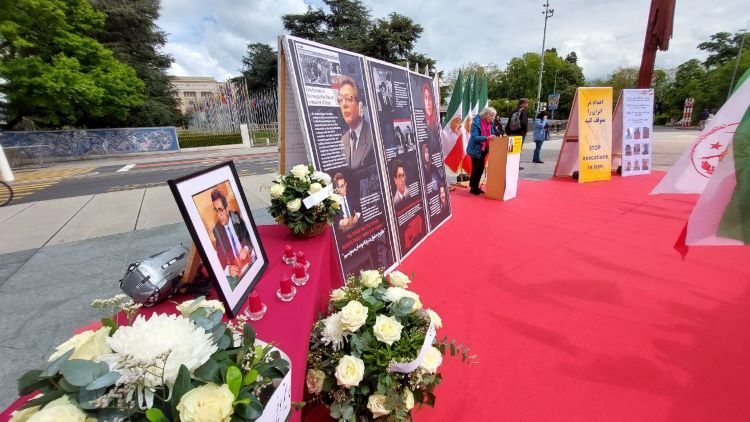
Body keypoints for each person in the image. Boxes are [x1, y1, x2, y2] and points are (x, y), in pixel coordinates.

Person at [211, 189, 253, 278]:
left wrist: (246, 249)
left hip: (249, 260)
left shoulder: (236, 217)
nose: (219, 215)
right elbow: (220, 257)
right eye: (216, 210)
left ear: (226, 208)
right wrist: (228, 269)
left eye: (220, 210)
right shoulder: (217, 229)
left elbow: (249, 236)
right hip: (237, 269)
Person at [336, 75, 374, 169]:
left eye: (348, 98)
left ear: (360, 105)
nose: (344, 104)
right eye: (340, 100)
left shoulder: (373, 137)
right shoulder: (343, 140)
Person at [467, 106, 499, 195]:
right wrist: (487, 138)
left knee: (481, 169)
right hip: (476, 149)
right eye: (491, 115)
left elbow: (494, 133)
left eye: (494, 116)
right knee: (476, 169)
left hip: (485, 148)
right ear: (485, 115)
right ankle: (473, 188)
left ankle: (476, 186)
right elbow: (474, 137)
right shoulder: (476, 123)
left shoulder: (491, 124)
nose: (493, 118)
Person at [506, 98, 529, 170]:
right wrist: (524, 131)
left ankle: (510, 164)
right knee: (518, 149)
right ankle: (516, 165)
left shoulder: (513, 111)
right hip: (520, 133)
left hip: (512, 132)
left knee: (511, 150)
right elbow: (524, 123)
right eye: (526, 103)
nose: (527, 104)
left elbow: (509, 122)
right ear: (523, 104)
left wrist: (508, 132)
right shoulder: (523, 111)